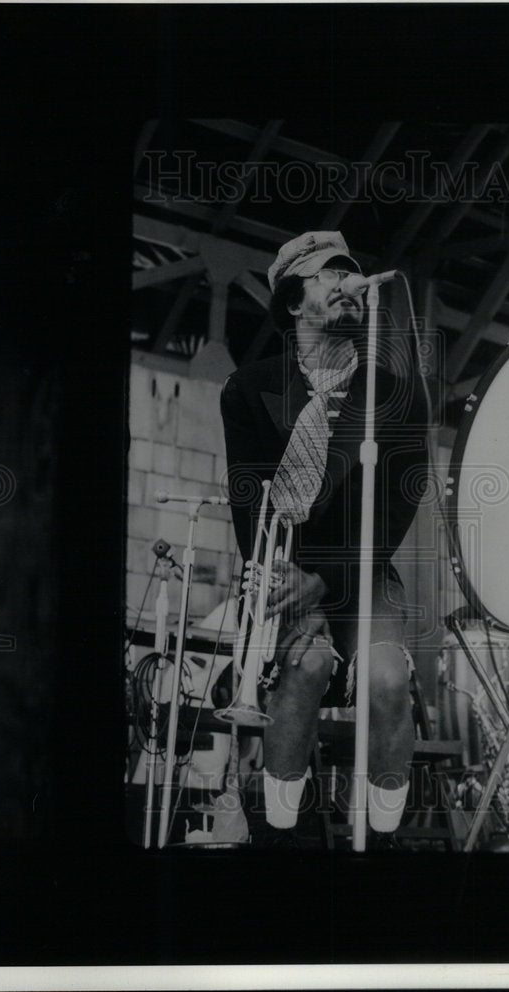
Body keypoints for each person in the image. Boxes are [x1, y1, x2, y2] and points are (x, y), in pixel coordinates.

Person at [220, 230, 428, 849]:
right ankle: (281, 836)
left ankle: (381, 840)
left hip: (365, 571)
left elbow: (398, 505)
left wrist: (328, 578)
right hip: (287, 569)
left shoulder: (392, 392)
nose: (347, 284)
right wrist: (284, 582)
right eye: (328, 275)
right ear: (292, 302)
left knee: (388, 678)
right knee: (304, 667)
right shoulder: (248, 389)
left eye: (351, 274)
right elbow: (247, 503)